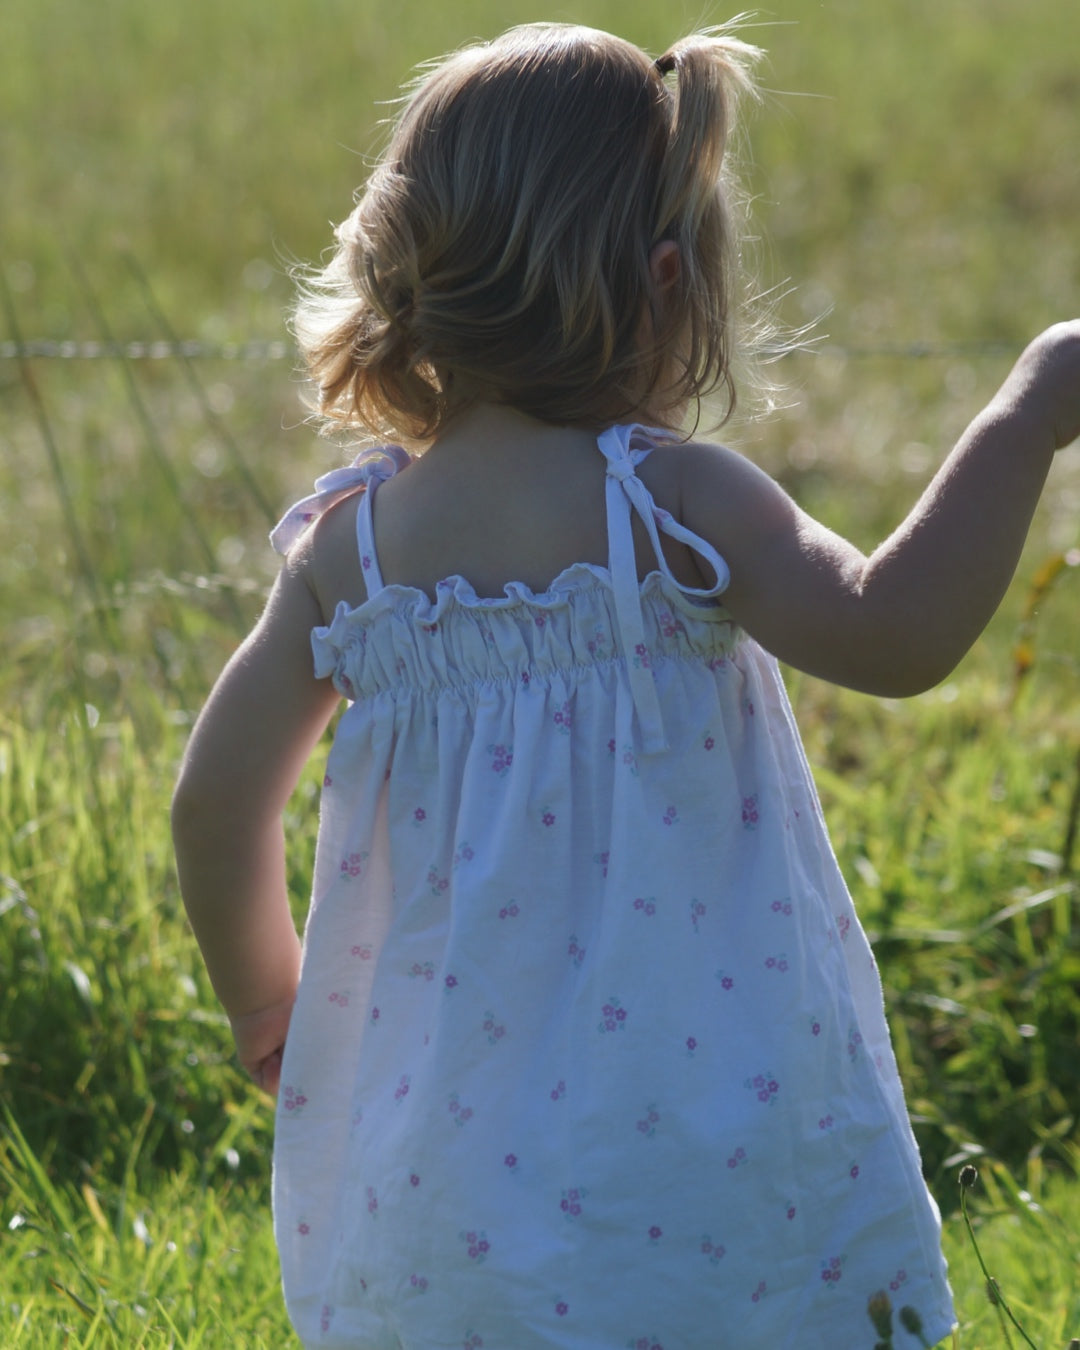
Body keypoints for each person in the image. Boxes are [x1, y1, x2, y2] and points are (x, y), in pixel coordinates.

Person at [171, 21, 1080, 1349]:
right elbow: (895, 634)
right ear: (666, 281)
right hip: (702, 1146)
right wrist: (1031, 409)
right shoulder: (664, 503)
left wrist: (269, 1004)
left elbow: (214, 805)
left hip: (446, 1173)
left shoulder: (352, 554)